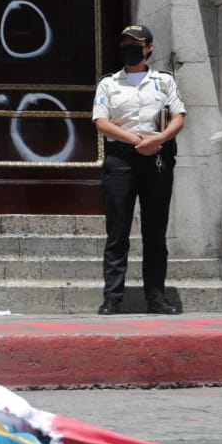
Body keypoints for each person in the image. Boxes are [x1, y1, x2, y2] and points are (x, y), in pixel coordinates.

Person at [91, 24, 186, 315]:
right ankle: (112, 298)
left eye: (136, 43)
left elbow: (178, 116)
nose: (130, 48)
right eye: (125, 43)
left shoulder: (164, 82)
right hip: (121, 159)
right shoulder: (109, 83)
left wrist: (158, 139)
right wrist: (136, 140)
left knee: (155, 231)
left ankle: (156, 297)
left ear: (149, 48)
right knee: (117, 230)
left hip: (157, 158)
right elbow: (101, 121)